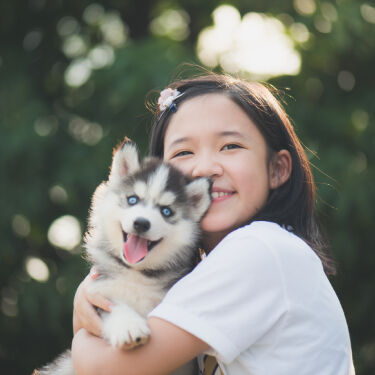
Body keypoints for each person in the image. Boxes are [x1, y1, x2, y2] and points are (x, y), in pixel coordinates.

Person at [71, 73, 355, 374]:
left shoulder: (259, 249)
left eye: (230, 146)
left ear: (277, 169)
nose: (205, 168)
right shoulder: (231, 260)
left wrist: (82, 327)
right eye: (183, 152)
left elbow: (107, 369)